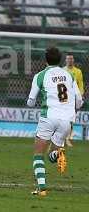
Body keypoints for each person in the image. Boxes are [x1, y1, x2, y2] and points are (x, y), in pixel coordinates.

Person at [27, 47, 82, 196]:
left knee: (38, 155)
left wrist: (35, 100)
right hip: (67, 121)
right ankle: (59, 153)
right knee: (52, 155)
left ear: (45, 60)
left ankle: (42, 188)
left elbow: (31, 101)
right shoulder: (69, 75)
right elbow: (79, 101)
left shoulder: (40, 76)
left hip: (49, 116)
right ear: (60, 59)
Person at [63, 53, 84, 147]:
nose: (70, 60)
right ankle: (62, 138)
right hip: (63, 99)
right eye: (68, 59)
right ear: (65, 60)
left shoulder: (78, 71)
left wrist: (80, 95)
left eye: (71, 59)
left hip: (74, 100)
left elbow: (80, 85)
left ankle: (68, 139)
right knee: (63, 119)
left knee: (70, 120)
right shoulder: (62, 70)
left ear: (73, 60)